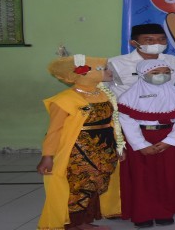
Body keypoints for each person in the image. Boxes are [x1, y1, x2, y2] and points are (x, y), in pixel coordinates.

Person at [37, 55, 121, 230]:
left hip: (105, 147)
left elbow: (112, 122)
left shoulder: (103, 94)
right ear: (84, 73)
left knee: (98, 182)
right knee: (80, 184)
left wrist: (119, 146)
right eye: (103, 69)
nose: (109, 72)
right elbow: (54, 131)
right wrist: (48, 155)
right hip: (78, 151)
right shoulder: (63, 100)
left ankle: (84, 221)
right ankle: (73, 224)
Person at [117, 60, 175, 228]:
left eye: (166, 72)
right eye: (156, 73)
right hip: (141, 138)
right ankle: (142, 213)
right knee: (142, 176)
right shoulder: (129, 96)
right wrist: (141, 144)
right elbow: (127, 122)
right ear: (143, 74)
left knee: (168, 175)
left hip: (169, 138)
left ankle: (164, 211)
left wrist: (170, 141)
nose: (162, 76)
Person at [108, 23, 175, 97]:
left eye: (162, 39)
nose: (157, 43)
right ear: (134, 43)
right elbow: (103, 88)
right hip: (126, 103)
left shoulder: (173, 61)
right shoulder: (115, 63)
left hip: (166, 103)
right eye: (149, 40)